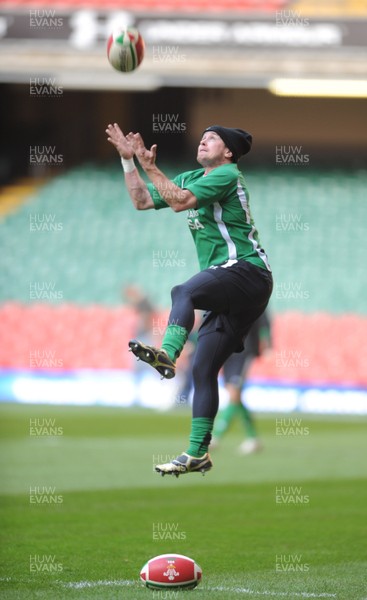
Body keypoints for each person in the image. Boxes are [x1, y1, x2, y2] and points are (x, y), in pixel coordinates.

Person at [105, 122, 273, 477]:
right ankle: (198, 453)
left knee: (184, 292)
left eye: (212, 138)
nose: (203, 140)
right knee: (203, 369)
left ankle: (167, 352)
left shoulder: (227, 175)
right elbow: (141, 200)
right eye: (202, 136)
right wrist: (128, 162)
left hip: (247, 270)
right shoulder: (191, 176)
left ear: (228, 152)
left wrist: (149, 164)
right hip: (232, 284)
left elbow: (180, 203)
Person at [212, 310, 272, 454]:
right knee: (235, 396)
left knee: (234, 393)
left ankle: (215, 437)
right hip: (227, 350)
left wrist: (267, 342)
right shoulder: (222, 296)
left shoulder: (253, 295)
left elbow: (264, 321)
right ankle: (253, 439)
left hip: (244, 350)